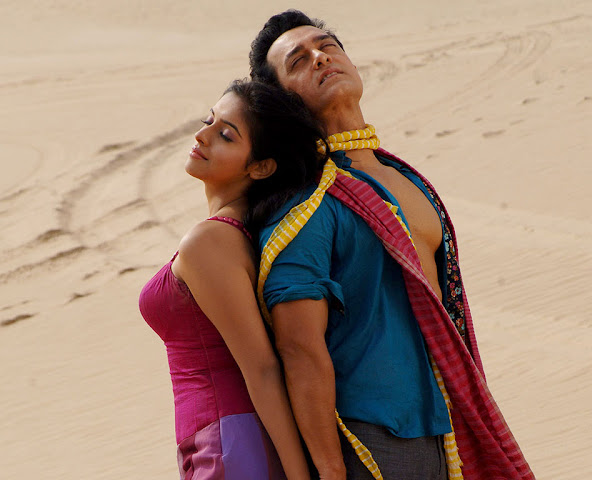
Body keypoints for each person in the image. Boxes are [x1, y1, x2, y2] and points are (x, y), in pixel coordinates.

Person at [249, 10, 535, 480]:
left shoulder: (403, 176)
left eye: (328, 46)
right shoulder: (305, 204)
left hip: (444, 424)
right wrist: (330, 469)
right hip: (370, 436)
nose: (320, 57)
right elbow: (298, 347)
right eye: (298, 61)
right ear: (282, 100)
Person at [139, 79, 327, 480]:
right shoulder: (237, 235)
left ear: (260, 166)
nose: (202, 136)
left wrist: (299, 475)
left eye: (226, 135)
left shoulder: (210, 242)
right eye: (209, 121)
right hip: (223, 440)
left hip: (229, 445)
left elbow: (263, 369)